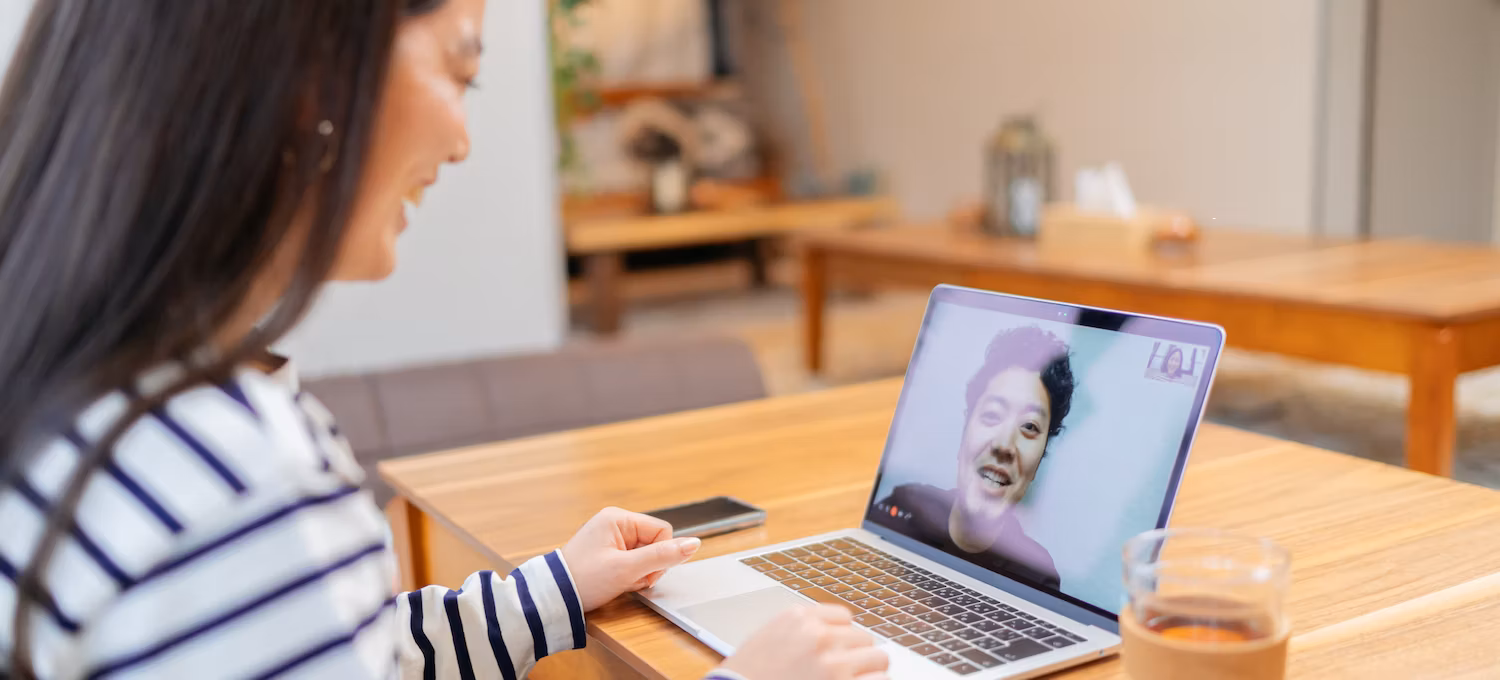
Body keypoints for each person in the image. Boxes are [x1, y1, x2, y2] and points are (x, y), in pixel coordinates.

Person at [0, 2, 888, 679]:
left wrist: (554, 591)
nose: (462, 141)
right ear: (313, 71)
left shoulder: (82, 389)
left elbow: (350, 653)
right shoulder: (237, 475)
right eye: (460, 71)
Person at [872, 326, 1075, 590]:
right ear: (965, 429)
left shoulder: (1036, 575)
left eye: (1029, 427)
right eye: (992, 415)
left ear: (1039, 461)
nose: (1004, 445)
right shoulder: (904, 509)